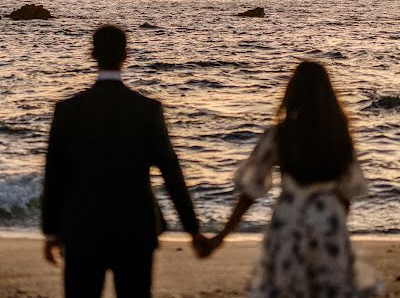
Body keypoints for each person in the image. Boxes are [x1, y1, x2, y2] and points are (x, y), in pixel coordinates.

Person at [42, 25, 204, 298]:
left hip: (82, 228)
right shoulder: (146, 109)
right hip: (135, 228)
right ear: (126, 55)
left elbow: (54, 174)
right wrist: (193, 229)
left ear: (92, 54)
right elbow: (171, 171)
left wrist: (50, 230)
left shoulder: (68, 110)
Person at [200, 61, 383, 297]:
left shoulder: (280, 135)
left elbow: (250, 191)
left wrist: (220, 237)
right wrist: (332, 222)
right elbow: (348, 191)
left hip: (290, 220)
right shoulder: (339, 135)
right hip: (328, 221)